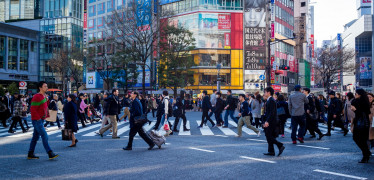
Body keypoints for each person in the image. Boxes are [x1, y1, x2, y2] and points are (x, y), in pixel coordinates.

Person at [27, 81, 58, 160]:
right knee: (44, 135)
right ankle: (50, 153)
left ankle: (30, 153)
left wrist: (47, 100)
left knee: (35, 137)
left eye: (47, 86)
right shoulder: (37, 96)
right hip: (37, 120)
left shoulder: (44, 96)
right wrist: (37, 118)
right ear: (40, 88)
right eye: (45, 86)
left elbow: (44, 106)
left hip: (41, 119)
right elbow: (33, 109)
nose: (47, 87)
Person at [263, 87, 285, 156]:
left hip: (272, 121)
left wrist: (267, 121)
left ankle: (280, 145)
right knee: (269, 136)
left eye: (265, 92)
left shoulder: (271, 100)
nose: (264, 93)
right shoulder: (269, 100)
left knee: (269, 135)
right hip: (271, 120)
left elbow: (272, 112)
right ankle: (271, 151)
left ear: (268, 92)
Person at [351, 89, 371, 163]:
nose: (355, 94)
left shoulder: (364, 102)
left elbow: (362, 113)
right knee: (358, 139)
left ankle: (365, 155)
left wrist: (355, 110)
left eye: (356, 93)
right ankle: (366, 153)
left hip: (363, 123)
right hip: (360, 122)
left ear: (360, 94)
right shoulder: (357, 101)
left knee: (360, 139)